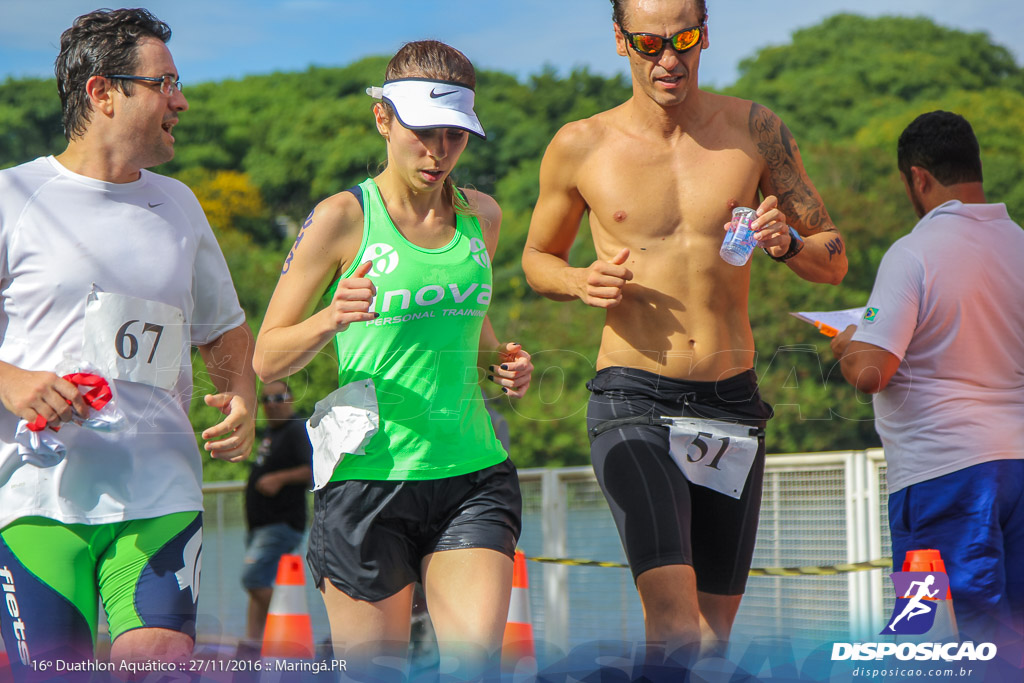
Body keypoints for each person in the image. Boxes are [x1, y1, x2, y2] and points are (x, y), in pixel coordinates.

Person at [522, 0, 848, 664]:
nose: (668, 58)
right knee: (678, 627)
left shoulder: (754, 129)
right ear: (620, 42)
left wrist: (786, 244)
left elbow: (834, 259)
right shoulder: (580, 144)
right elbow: (537, 258)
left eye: (685, 38)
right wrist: (579, 280)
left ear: (706, 37)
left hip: (731, 402)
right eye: (648, 42)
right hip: (633, 398)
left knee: (708, 639)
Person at [252, 40, 532, 675]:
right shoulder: (342, 219)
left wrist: (502, 363)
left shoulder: (480, 215)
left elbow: (473, 322)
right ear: (383, 119)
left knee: (473, 666)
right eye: (422, 132)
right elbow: (269, 357)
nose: (438, 152)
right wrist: (331, 316)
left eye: (455, 136)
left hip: (471, 474)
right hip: (368, 478)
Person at [0, 8, 256, 677]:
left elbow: (223, 326)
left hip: (160, 491)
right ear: (102, 92)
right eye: (165, 83)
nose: (182, 100)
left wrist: (242, 394)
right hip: (39, 496)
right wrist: (15, 381)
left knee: (162, 662)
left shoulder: (178, 205)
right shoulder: (13, 196)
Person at [831, 110, 1024, 656]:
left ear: (918, 178)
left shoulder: (912, 252)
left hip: (944, 478)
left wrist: (850, 343)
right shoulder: (1020, 245)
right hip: (1018, 467)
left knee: (929, 639)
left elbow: (871, 372)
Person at [241, 380, 312, 647]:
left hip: (281, 523)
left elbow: (313, 469)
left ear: (291, 399)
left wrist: (279, 478)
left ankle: (288, 631)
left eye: (278, 398)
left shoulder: (296, 429)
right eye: (267, 399)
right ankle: (252, 643)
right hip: (260, 525)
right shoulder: (270, 434)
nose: (272, 404)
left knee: (253, 578)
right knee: (258, 582)